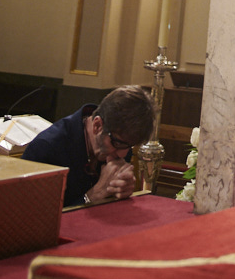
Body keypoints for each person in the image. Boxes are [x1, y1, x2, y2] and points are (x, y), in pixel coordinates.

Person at [21, 84, 156, 208]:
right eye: (118, 143)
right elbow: (33, 219)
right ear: (97, 126)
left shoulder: (119, 142)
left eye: (130, 146)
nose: (123, 154)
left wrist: (121, 191)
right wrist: (94, 195)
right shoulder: (47, 149)